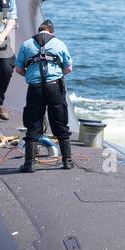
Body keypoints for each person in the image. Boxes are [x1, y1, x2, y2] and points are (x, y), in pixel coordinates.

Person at [15, 20, 74, 172]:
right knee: (60, 122)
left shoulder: (27, 44)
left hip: (35, 89)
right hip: (54, 87)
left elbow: (19, 69)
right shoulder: (59, 43)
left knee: (33, 124)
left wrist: (31, 76)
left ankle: (30, 163)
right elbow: (68, 68)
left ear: (39, 30)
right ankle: (67, 161)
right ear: (52, 32)